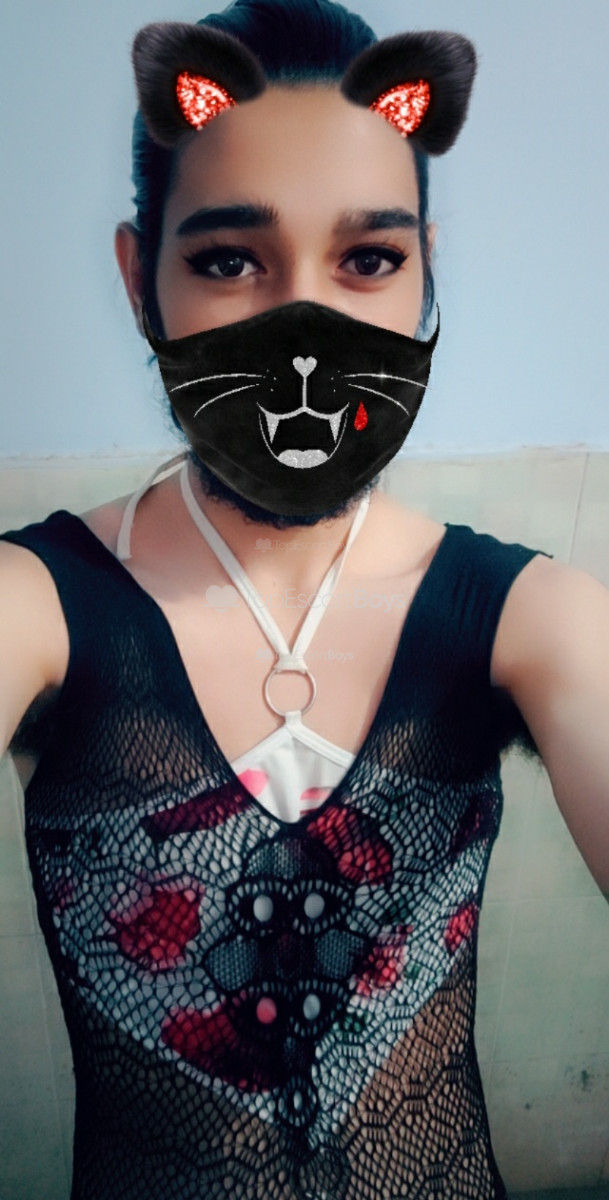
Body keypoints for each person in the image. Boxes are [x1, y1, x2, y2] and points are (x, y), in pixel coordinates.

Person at [0, 1, 607, 1197]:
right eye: (229, 260)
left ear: (425, 273)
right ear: (139, 282)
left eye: (369, 259)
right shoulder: (39, 602)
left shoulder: (529, 615)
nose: (305, 331)